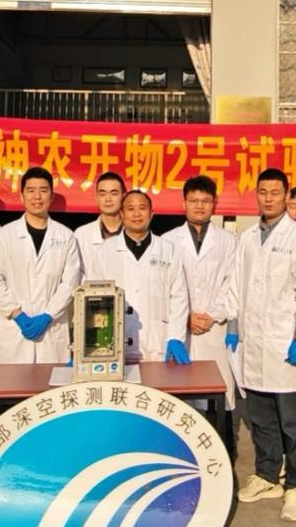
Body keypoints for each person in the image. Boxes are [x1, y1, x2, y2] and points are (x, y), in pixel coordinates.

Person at [231, 168, 296, 523]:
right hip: (254, 344)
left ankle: (295, 486)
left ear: (286, 196)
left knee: (293, 423)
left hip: (285, 344)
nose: (268, 198)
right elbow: (237, 285)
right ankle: (267, 475)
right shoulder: (248, 237)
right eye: (263, 192)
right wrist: (233, 326)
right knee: (262, 419)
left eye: (275, 192)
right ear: (256, 194)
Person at [0, 167, 81, 364]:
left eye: (43, 190)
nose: (37, 196)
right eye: (31, 190)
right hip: (13, 331)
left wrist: (48, 316)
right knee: (13, 383)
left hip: (51, 330)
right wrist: (17, 315)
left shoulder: (66, 236)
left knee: (51, 383)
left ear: (51, 196)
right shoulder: (5, 235)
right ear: (22, 196)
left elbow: (70, 283)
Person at [87, 190, 190, 364]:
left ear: (151, 214)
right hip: (114, 344)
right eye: (130, 209)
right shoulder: (105, 251)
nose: (136, 214)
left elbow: (179, 297)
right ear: (121, 214)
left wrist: (175, 337)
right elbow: (93, 298)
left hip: (158, 344)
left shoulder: (168, 250)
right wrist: (91, 342)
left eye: (142, 208)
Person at [163, 176, 237, 410]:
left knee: (216, 401)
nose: (199, 206)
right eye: (193, 200)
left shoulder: (228, 241)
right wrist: (185, 317)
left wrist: (212, 315)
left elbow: (232, 283)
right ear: (184, 203)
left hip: (213, 327)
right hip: (179, 329)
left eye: (205, 201)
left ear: (214, 204)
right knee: (180, 401)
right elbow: (163, 289)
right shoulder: (167, 241)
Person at [73, 171, 126, 269]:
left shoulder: (134, 233)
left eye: (114, 194)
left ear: (123, 197)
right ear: (96, 198)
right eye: (102, 194)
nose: (108, 199)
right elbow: (75, 271)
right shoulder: (81, 234)